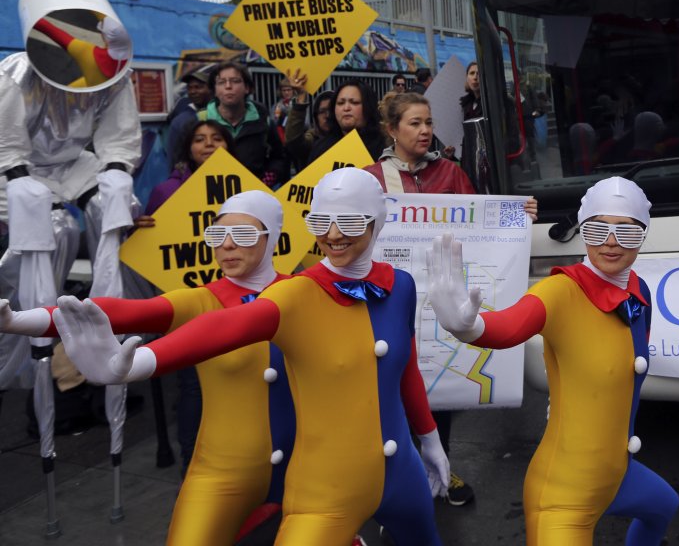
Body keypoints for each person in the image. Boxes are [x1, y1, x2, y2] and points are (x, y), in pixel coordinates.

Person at [53, 168, 449, 545]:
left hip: (403, 475)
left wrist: (429, 439)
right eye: (319, 222)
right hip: (325, 488)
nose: (331, 235)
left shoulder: (400, 285)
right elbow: (225, 327)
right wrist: (141, 363)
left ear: (377, 221)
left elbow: (406, 369)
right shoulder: (295, 293)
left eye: (348, 222)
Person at [2, 191, 294, 545]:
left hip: (303, 466)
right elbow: (121, 311)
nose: (228, 246)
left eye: (244, 235)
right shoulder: (202, 299)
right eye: (217, 236)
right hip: (223, 471)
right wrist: (18, 320)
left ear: (272, 238)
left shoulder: (302, 294)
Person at [427, 176, 679, 544]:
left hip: (618, 477)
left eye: (627, 233)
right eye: (597, 229)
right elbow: (510, 326)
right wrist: (470, 328)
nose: (610, 242)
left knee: (664, 505)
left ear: (644, 235)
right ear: (582, 229)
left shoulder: (638, 292)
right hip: (564, 496)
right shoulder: (561, 291)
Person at [0, 0, 141, 501]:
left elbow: (117, 138)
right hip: (18, 173)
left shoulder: (115, 77)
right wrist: (21, 184)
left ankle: (114, 320)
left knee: (113, 204)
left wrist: (116, 174)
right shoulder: (14, 75)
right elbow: (9, 144)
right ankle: (34, 329)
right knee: (46, 226)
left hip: (75, 167)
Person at [366, 91, 537, 506]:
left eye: (428, 123)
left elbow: (484, 220)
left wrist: (518, 214)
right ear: (391, 130)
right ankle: (392, 482)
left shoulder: (452, 173)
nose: (425, 131)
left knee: (436, 388)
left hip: (438, 302)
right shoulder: (370, 179)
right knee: (390, 389)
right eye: (414, 123)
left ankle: (439, 466)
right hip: (387, 301)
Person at [133, 118, 234, 471]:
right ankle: (193, 463)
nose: (208, 145)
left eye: (216, 138)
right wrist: (140, 228)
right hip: (191, 307)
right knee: (192, 386)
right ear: (187, 148)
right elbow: (148, 248)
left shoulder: (245, 191)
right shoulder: (165, 192)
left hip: (238, 306)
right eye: (199, 140)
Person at [199, 61, 287, 186]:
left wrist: (268, 179)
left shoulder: (264, 121)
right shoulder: (200, 121)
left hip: (254, 197)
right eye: (221, 82)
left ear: (247, 88)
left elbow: (279, 157)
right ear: (215, 90)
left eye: (235, 81)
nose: (228, 86)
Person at [307, 79, 388, 164]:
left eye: (354, 102)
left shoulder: (385, 148)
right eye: (340, 103)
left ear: (368, 106)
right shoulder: (321, 148)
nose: (346, 108)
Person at [281, 69, 336, 171]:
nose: (327, 115)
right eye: (322, 111)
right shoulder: (312, 140)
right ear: (315, 117)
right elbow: (293, 141)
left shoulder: (351, 139)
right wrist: (301, 98)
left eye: (332, 110)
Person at [165, 64, 214, 161]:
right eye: (190, 88)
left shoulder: (223, 115)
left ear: (211, 89)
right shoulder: (180, 121)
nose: (193, 91)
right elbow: (174, 156)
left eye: (198, 87)